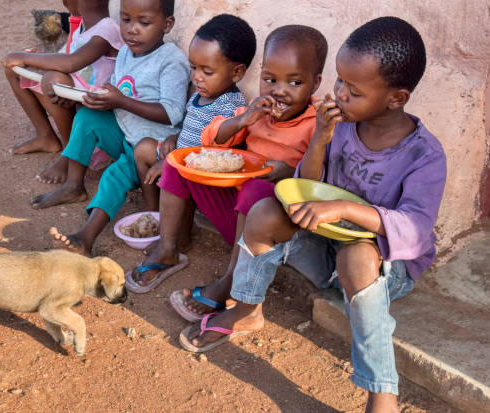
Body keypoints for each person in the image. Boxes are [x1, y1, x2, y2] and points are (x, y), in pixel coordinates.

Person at [179, 17, 446, 413]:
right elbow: (308, 182)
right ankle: (246, 309)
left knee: (357, 254)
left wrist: (345, 208)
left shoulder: (425, 155)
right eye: (339, 82)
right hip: (326, 246)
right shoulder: (340, 125)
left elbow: (417, 229)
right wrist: (319, 139)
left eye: (352, 90)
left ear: (396, 98)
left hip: (383, 267)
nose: (338, 93)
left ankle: (381, 393)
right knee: (266, 208)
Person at [126, 25, 327, 297]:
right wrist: (243, 119)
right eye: (269, 79)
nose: (279, 91)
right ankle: (168, 248)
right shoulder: (258, 109)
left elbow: (317, 182)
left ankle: (233, 279)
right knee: (178, 160)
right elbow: (211, 139)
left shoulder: (318, 126)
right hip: (234, 213)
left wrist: (287, 170)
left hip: (273, 228)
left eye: (294, 82)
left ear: (315, 83)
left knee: (256, 190)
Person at [39, 0, 190, 257]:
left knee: (114, 176)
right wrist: (94, 99)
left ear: (167, 25)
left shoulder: (171, 61)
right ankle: (75, 185)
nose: (132, 29)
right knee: (87, 117)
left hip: (150, 148)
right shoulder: (125, 53)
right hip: (124, 131)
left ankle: (85, 238)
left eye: (144, 22)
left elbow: (173, 114)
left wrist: (121, 101)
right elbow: (119, 96)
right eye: (126, 19)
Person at [122, 13, 257, 292]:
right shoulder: (199, 94)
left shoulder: (232, 105)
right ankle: (156, 218)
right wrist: (175, 137)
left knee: (172, 168)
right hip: (183, 157)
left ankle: (177, 240)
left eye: (206, 71)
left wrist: (173, 158)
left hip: (208, 179)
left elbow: (216, 151)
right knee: (145, 148)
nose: (196, 77)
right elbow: (191, 128)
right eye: (193, 67)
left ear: (236, 73)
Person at [2, 0, 123, 184]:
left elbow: (70, 63)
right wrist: (32, 58)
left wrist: (26, 57)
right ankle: (46, 136)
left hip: (92, 118)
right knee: (14, 70)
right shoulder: (84, 26)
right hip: (72, 103)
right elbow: (66, 60)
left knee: (53, 79)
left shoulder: (107, 30)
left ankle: (70, 153)